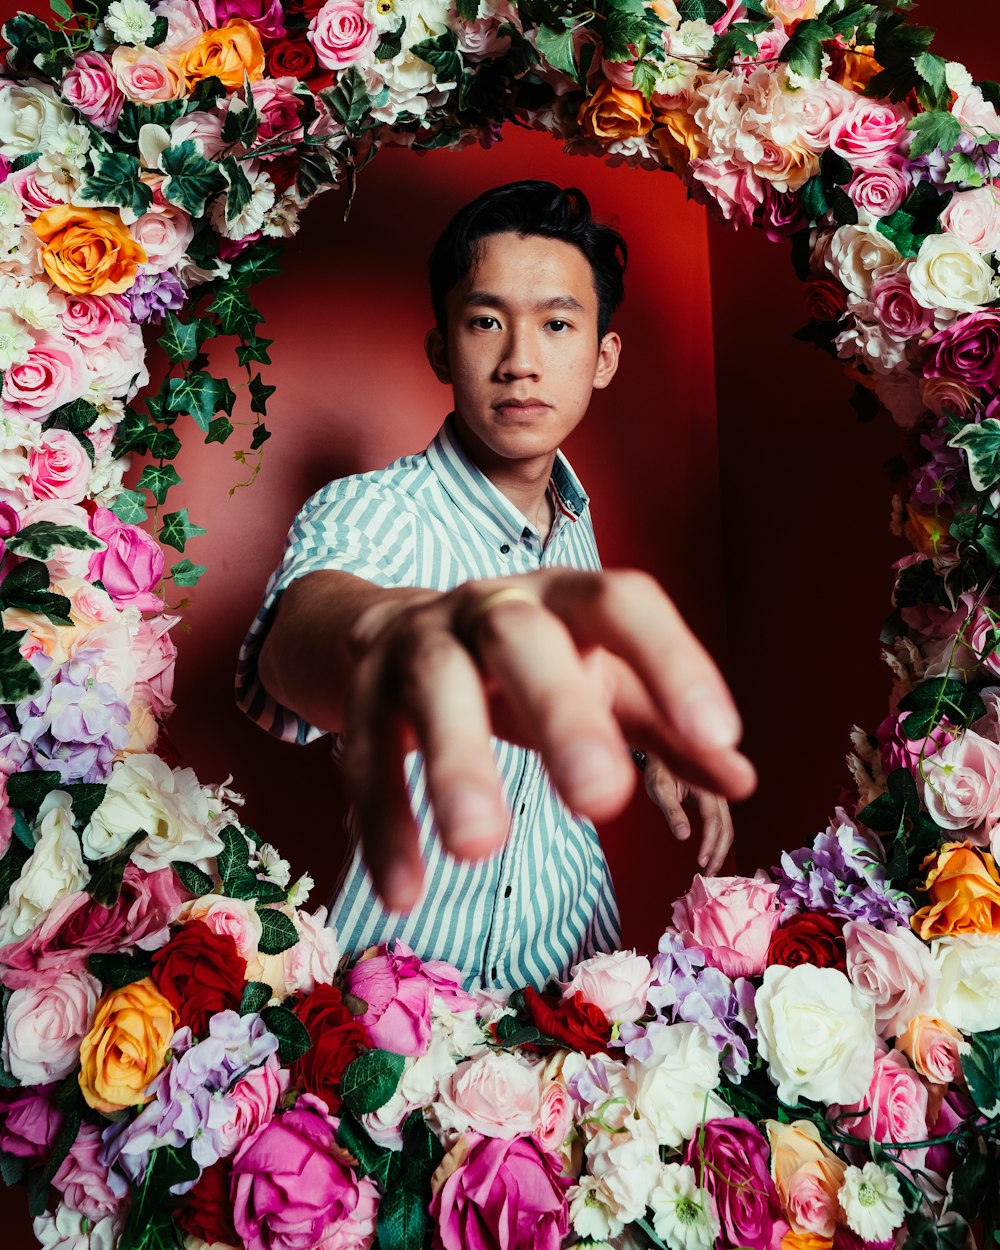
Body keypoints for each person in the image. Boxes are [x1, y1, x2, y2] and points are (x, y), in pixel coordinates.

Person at [237, 180, 755, 990]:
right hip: (400, 1006)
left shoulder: (573, 520)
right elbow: (299, 642)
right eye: (486, 322)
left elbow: (555, 686)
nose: (520, 362)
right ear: (443, 349)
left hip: (572, 976)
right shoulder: (376, 511)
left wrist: (650, 739)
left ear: (603, 358)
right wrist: (407, 636)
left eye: (556, 324)